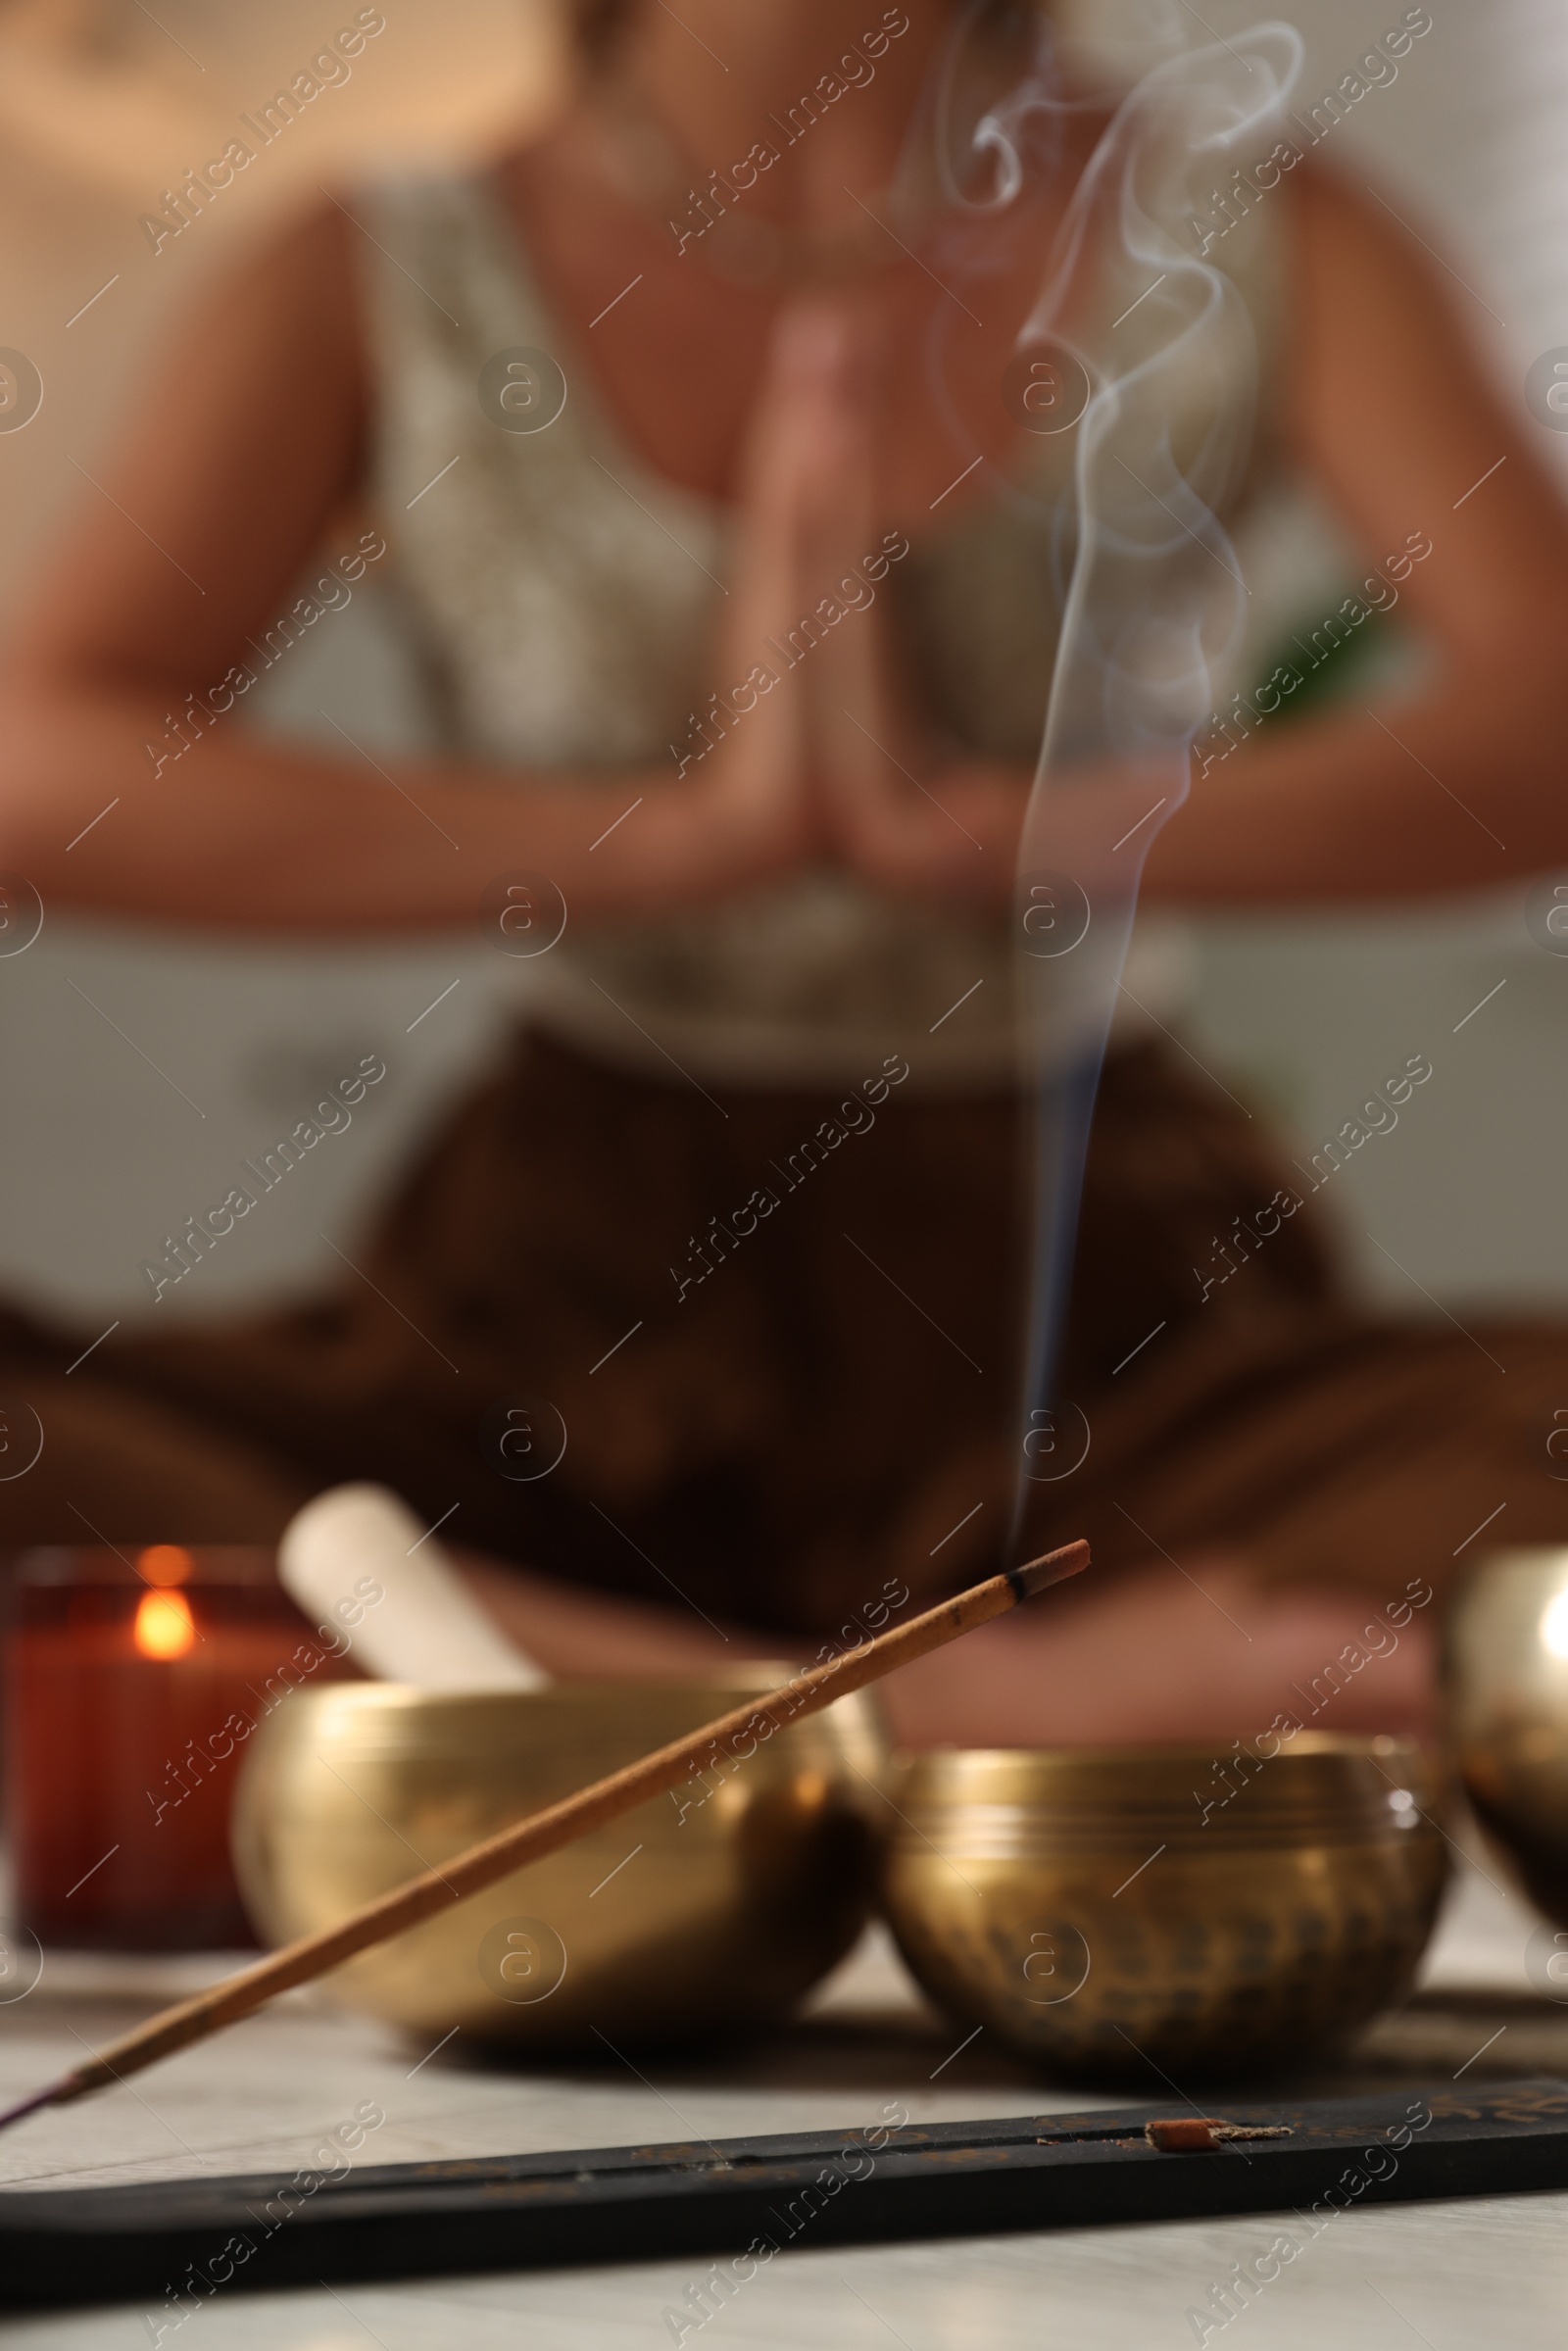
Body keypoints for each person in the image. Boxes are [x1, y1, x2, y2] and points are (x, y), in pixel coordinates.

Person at [2, 0, 1565, 1747]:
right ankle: (905, 1715)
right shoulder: (382, 255)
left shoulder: (1251, 223)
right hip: (555, 1318)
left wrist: (995, 833)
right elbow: (35, 761)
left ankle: (621, 1704)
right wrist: (674, 844)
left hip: (1111, 1310)